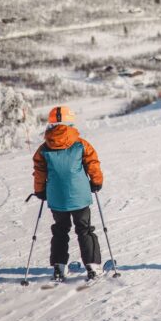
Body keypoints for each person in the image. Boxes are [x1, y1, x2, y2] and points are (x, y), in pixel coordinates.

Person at [32, 105, 105, 282]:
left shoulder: (44, 148)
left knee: (60, 230)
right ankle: (93, 266)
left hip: (57, 197)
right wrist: (96, 182)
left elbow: (39, 171)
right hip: (79, 196)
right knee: (84, 229)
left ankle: (59, 267)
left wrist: (40, 190)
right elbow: (92, 163)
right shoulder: (80, 144)